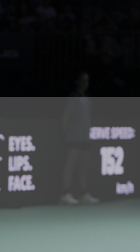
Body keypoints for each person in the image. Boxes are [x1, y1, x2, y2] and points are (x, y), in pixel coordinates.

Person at [60, 71, 99, 204]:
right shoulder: (73, 97)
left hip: (85, 136)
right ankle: (65, 194)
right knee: (70, 165)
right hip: (74, 136)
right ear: (77, 81)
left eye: (87, 81)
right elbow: (66, 117)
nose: (85, 83)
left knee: (83, 165)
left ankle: (83, 194)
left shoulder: (86, 98)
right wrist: (66, 135)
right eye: (82, 80)